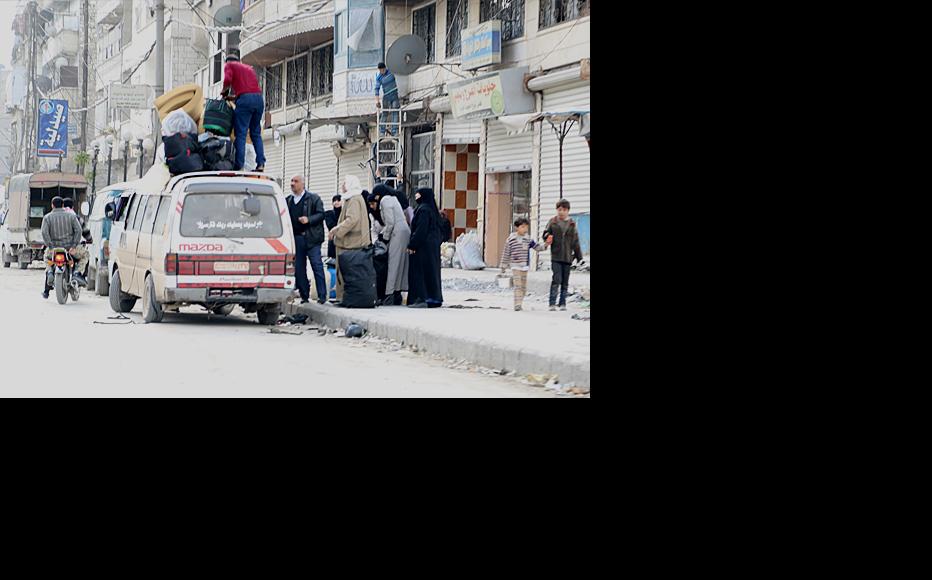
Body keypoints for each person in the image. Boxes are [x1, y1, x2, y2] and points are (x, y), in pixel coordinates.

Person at [328, 175, 372, 304]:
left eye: (344, 183)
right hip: (348, 243)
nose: (342, 185)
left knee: (344, 272)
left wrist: (336, 231)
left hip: (351, 243)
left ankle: (344, 297)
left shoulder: (354, 199)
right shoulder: (350, 198)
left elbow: (352, 220)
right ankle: (341, 297)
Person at [222, 49, 266, 173]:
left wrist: (224, 93)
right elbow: (249, 90)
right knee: (255, 133)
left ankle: (239, 165)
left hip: (245, 100)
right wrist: (235, 97)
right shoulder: (248, 68)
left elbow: (227, 81)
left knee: (240, 134)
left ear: (227, 61)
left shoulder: (229, 65)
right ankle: (261, 163)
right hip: (258, 100)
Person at [286, 176, 327, 304]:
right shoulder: (288, 200)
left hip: (311, 238)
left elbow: (321, 214)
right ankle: (304, 295)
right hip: (296, 239)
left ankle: (322, 296)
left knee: (317, 265)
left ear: (303, 184)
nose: (292, 184)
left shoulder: (313, 198)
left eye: (296, 181)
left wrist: (309, 219)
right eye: (291, 181)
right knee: (299, 268)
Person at [40, 196, 87, 298]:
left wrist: (50, 246)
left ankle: (49, 272)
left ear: (52, 205)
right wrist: (74, 245)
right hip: (70, 249)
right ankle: (77, 273)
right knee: (85, 255)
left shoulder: (47, 217)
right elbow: (79, 231)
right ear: (62, 205)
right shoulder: (71, 216)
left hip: (54, 249)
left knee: (46, 258)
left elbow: (44, 232)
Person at [542, 199, 584, 312]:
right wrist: (547, 237)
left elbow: (576, 241)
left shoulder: (572, 224)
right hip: (556, 256)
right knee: (557, 279)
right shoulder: (552, 222)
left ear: (568, 211)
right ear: (557, 210)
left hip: (567, 257)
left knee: (565, 281)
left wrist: (579, 257)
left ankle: (562, 303)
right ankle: (552, 303)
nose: (561, 212)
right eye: (559, 209)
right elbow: (545, 234)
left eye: (564, 210)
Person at [372, 185, 410, 306]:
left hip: (397, 233)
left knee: (393, 264)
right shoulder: (393, 198)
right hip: (404, 231)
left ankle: (389, 295)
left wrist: (385, 238)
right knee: (400, 265)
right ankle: (397, 293)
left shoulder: (385, 200)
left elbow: (390, 222)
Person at [406, 188, 444, 309]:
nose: (416, 197)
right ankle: (434, 298)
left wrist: (412, 244)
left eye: (418, 195)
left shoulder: (423, 210)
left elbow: (421, 230)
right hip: (431, 247)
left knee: (421, 273)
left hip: (423, 247)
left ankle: (422, 298)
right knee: (431, 273)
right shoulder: (431, 210)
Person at [500, 218, 538, 312]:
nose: (525, 229)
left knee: (523, 288)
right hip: (515, 265)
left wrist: (546, 245)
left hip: (524, 266)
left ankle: (520, 301)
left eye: (526, 227)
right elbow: (506, 252)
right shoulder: (511, 240)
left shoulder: (528, 239)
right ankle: (517, 305)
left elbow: (537, 247)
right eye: (523, 227)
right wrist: (503, 265)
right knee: (518, 286)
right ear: (517, 228)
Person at [375, 62, 399, 136]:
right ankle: (382, 131)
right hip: (386, 96)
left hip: (394, 94)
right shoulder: (379, 77)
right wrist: (377, 101)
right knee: (385, 113)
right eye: (380, 70)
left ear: (385, 68)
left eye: (382, 70)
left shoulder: (391, 72)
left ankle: (394, 131)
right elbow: (376, 89)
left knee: (395, 112)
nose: (381, 72)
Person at [324, 194, 342, 261]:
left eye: (338, 200)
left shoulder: (346, 214)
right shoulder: (328, 213)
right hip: (333, 242)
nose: (336, 202)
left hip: (344, 243)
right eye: (334, 200)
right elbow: (331, 226)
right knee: (332, 263)